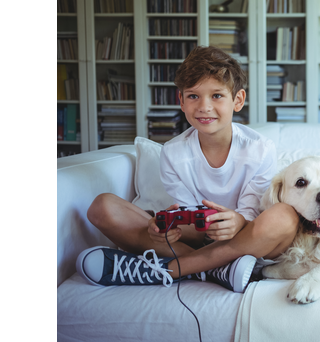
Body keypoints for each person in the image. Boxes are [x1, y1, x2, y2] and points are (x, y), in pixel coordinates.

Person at [77, 46, 298, 293]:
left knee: (285, 216)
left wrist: (237, 221)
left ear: (238, 100)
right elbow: (191, 229)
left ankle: (173, 269)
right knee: (102, 207)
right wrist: (167, 229)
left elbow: (252, 215)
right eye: (193, 96)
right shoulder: (173, 153)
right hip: (198, 243)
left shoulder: (260, 149)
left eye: (217, 96)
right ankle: (216, 270)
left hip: (248, 241)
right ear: (181, 101)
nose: (204, 107)